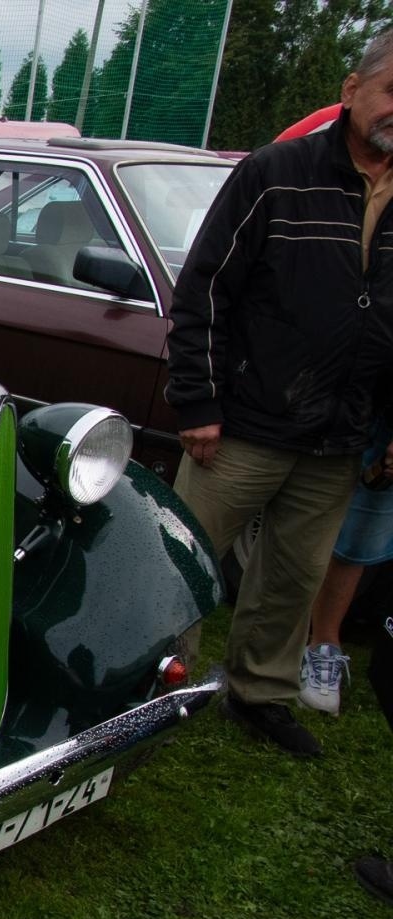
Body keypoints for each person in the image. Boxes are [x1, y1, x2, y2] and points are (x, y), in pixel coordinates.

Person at [164, 28, 393, 758]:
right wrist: (197, 404)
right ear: (353, 91)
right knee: (187, 559)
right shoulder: (276, 172)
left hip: (337, 434)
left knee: (294, 575)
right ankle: (153, 685)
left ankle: (261, 692)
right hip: (242, 425)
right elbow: (204, 287)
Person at [298, 422, 393, 715]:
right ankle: (317, 646)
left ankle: (321, 649)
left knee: (358, 540)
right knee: (309, 522)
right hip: (346, 407)